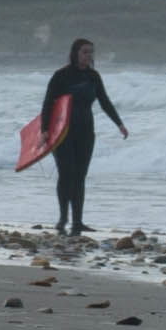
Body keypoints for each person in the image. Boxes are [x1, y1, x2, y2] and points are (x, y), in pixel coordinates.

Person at [42, 38, 128, 238]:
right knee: (67, 174)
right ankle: (63, 218)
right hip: (62, 132)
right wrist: (45, 129)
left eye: (91, 53)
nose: (89, 56)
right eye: (85, 52)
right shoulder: (61, 76)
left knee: (80, 177)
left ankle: (78, 222)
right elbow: (47, 104)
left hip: (86, 132)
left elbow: (105, 102)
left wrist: (119, 124)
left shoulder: (93, 76)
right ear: (75, 53)